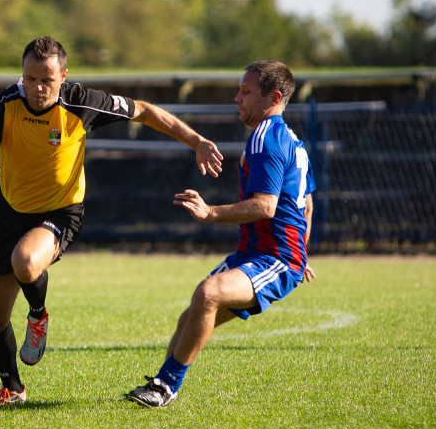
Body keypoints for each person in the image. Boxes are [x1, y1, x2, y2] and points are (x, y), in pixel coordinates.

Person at [0, 36, 223, 407]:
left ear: (63, 76)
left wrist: (196, 141)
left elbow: (143, 110)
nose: (36, 87)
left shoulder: (81, 102)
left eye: (46, 79)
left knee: (26, 261)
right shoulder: (7, 102)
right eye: (29, 78)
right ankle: (12, 389)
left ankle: (37, 315)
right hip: (10, 211)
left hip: (60, 211)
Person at [125, 59, 316, 408]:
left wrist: (210, 212)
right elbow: (307, 202)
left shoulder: (267, 139)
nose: (236, 98)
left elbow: (265, 207)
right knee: (192, 315)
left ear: (273, 97)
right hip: (260, 254)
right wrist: (303, 251)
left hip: (275, 258)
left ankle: (166, 387)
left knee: (208, 293)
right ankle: (158, 383)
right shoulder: (290, 139)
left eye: (246, 91)